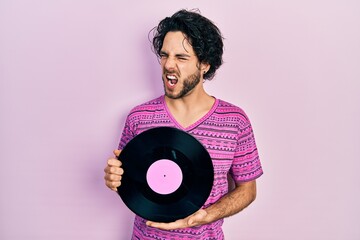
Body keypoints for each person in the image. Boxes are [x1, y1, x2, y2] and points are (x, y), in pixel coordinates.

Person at [104, 9, 263, 239]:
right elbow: (131, 185)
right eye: (165, 55)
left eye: (181, 57)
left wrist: (208, 215)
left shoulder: (234, 121)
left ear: (205, 64)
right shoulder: (139, 117)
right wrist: (115, 178)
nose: (169, 64)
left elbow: (247, 190)